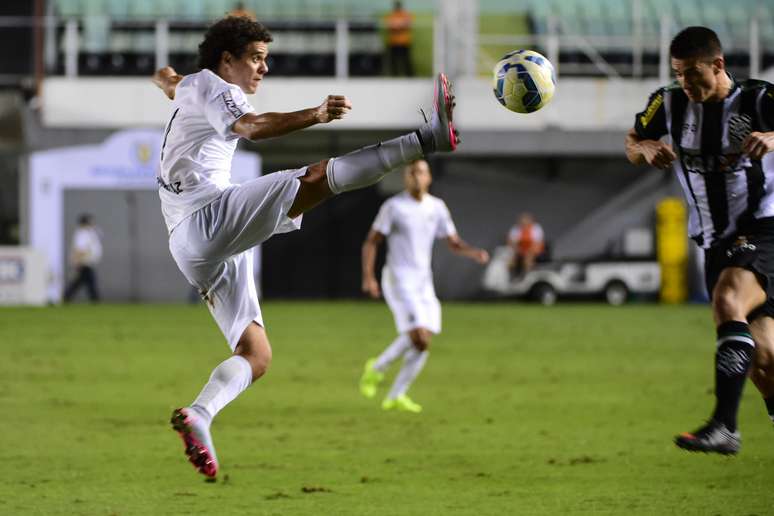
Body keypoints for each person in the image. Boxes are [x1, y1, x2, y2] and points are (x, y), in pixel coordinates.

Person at [152, 16, 459, 478]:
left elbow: (172, 82)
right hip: (206, 217)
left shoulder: (193, 85)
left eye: (265, 60)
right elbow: (252, 128)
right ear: (227, 59)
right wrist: (315, 114)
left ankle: (201, 413)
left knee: (256, 356)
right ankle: (426, 139)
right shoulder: (216, 85)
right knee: (318, 177)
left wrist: (163, 78)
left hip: (189, 244)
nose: (263, 69)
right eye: (256, 59)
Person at [625, 26, 774, 455]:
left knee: (729, 301)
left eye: (693, 73)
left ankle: (724, 427)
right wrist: (646, 149)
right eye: (679, 73)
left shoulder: (758, 99)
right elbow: (632, 141)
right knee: (762, 360)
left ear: (718, 65)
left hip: (763, 229)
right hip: (713, 241)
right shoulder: (668, 101)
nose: (686, 83)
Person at [358, 160, 489, 413]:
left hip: (423, 281)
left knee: (423, 341)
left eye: (421, 172)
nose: (416, 177)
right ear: (406, 178)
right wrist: (368, 277)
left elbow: (452, 241)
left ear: (429, 178)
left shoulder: (437, 207)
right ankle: (377, 370)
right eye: (411, 173)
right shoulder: (394, 206)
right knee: (418, 336)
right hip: (398, 279)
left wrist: (473, 253)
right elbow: (371, 242)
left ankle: (394, 393)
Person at [63, 213, 102, 302]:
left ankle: (66, 297)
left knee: (80, 282)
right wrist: (77, 261)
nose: (92, 223)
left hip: (88, 262)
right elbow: (80, 249)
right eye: (90, 222)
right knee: (89, 282)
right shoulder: (82, 234)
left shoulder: (89, 233)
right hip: (84, 262)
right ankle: (95, 300)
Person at [507, 212, 545, 278]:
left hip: (532, 250)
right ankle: (512, 277)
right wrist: (517, 250)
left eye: (526, 220)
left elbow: (538, 243)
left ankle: (527, 277)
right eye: (522, 221)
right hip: (519, 250)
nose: (524, 223)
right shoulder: (515, 229)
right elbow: (511, 242)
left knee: (528, 258)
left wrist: (529, 251)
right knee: (510, 260)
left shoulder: (536, 228)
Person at [384, 1, 414, 77]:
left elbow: (407, 24)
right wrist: (399, 26)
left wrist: (397, 26)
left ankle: (409, 76)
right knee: (393, 61)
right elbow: (390, 26)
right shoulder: (392, 15)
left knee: (406, 60)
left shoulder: (405, 14)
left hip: (404, 41)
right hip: (393, 42)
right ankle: (395, 76)